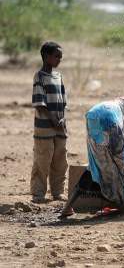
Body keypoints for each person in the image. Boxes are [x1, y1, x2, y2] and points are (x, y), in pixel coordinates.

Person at [31, 41, 68, 203]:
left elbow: (63, 101)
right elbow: (39, 104)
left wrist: (61, 119)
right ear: (46, 57)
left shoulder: (58, 76)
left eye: (60, 57)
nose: (59, 59)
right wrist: (53, 119)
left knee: (60, 159)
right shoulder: (39, 76)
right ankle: (38, 193)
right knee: (43, 158)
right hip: (45, 127)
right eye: (56, 56)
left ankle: (57, 192)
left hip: (60, 125)